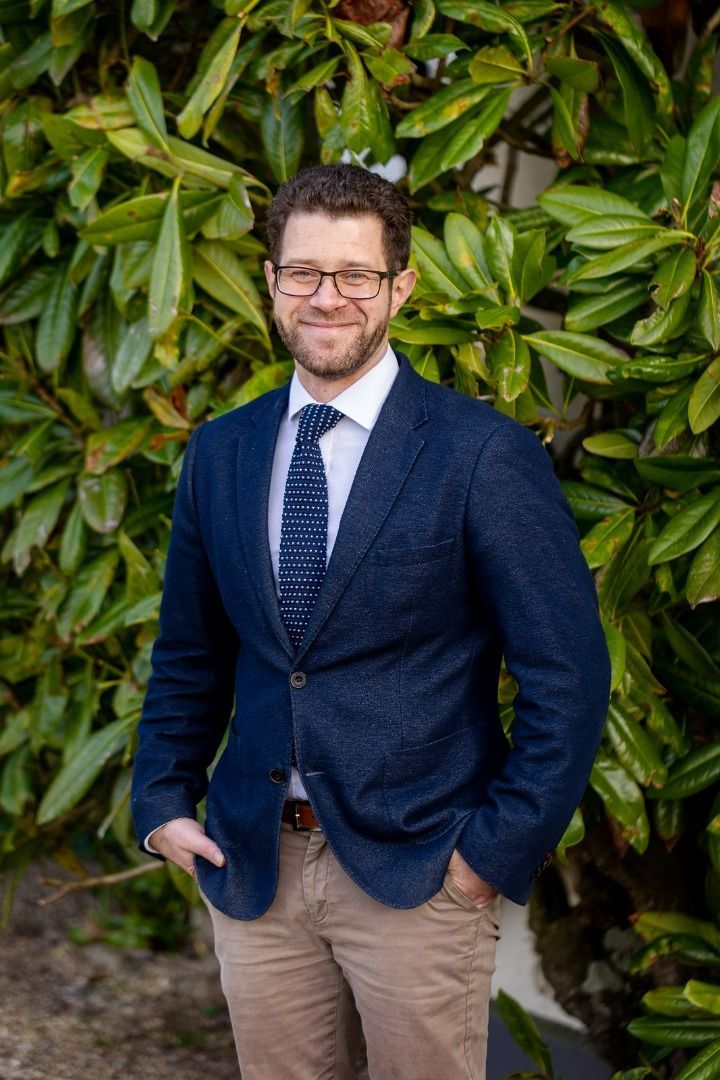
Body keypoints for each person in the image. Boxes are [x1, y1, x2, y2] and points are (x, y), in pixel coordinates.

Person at [131, 163, 610, 1079]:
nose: (328, 297)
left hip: (421, 871)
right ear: (271, 281)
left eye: (355, 275)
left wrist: (487, 857)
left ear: (401, 286)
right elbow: (190, 650)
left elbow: (568, 676)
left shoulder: (482, 454)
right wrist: (161, 799)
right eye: (303, 272)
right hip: (252, 861)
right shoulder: (223, 450)